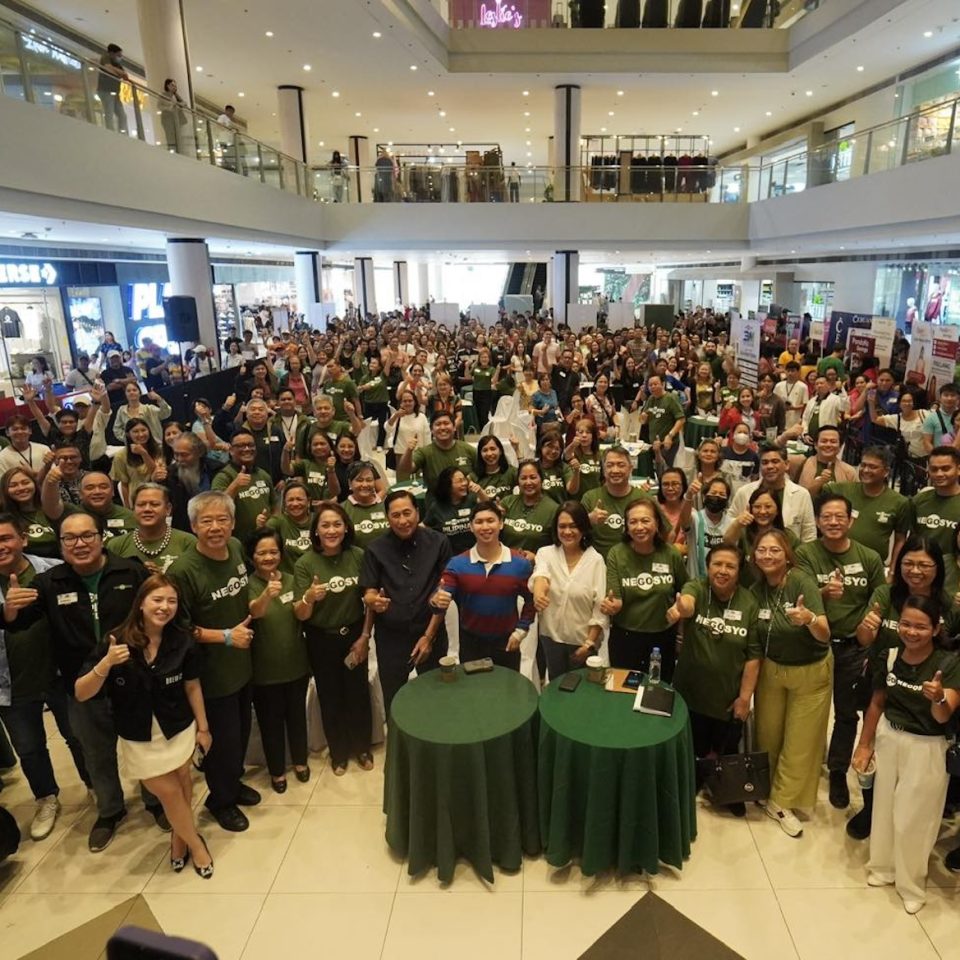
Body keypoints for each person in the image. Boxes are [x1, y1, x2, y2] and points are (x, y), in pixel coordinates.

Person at [3, 511, 165, 851]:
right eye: (70, 538)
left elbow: (156, 617)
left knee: (144, 745)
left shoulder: (130, 571)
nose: (80, 544)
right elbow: (19, 623)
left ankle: (155, 801)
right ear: (60, 544)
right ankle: (110, 810)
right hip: (82, 685)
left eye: (87, 535)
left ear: (101, 536)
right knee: (96, 753)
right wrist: (10, 611)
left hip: (132, 680)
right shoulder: (51, 583)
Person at [73, 575, 214, 879]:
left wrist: (203, 728)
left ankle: (178, 839)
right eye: (157, 600)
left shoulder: (181, 640)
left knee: (183, 782)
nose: (165, 607)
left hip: (178, 729)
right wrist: (106, 664)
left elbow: (192, 686)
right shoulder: (116, 641)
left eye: (172, 601)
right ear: (140, 603)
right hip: (138, 738)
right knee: (170, 793)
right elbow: (81, 692)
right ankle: (196, 844)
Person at [854, 595, 960, 914]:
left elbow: (943, 716)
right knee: (884, 808)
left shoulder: (948, 663)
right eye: (906, 624)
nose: (911, 632)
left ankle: (911, 883)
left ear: (936, 627)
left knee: (915, 817)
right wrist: (864, 743)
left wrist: (939, 698)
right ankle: (883, 867)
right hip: (890, 737)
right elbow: (876, 703)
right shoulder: (889, 655)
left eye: (920, 627)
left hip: (926, 745)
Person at [167, 492, 259, 833]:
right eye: (206, 521)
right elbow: (179, 628)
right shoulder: (183, 570)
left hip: (242, 664)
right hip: (211, 674)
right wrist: (223, 636)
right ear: (192, 526)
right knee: (222, 742)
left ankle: (232, 785)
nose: (216, 527)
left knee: (241, 733)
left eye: (222, 519)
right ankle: (220, 801)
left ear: (233, 523)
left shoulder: (235, 547)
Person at [0, 514, 89, 840]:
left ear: (23, 539)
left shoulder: (54, 569)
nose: (1, 546)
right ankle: (46, 798)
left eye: (6, 538)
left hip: (60, 674)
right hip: (10, 684)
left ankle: (95, 788)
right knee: (29, 748)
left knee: (77, 736)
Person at [796, 493, 886, 811]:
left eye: (839, 517)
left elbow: (880, 598)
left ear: (850, 520)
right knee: (807, 710)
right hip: (813, 645)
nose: (833, 522)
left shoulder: (870, 557)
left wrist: (866, 633)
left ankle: (836, 770)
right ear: (817, 521)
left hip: (852, 648)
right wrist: (822, 593)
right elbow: (802, 596)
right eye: (826, 517)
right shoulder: (805, 553)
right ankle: (801, 767)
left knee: (846, 714)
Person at [668, 544, 762, 816]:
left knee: (726, 748)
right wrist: (681, 608)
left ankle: (724, 787)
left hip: (727, 698)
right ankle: (696, 778)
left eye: (730, 566)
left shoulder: (749, 602)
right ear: (708, 567)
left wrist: (745, 698)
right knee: (694, 747)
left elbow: (753, 657)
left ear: (739, 570)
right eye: (717, 564)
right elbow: (687, 603)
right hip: (692, 693)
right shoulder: (698, 587)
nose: (722, 571)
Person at [750, 529, 832, 838]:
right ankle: (765, 788)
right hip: (772, 670)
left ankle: (781, 802)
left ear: (787, 555)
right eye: (762, 550)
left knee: (799, 741)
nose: (768, 556)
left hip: (810, 672)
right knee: (767, 735)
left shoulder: (801, 581)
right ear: (753, 555)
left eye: (775, 550)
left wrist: (809, 619)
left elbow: (824, 631)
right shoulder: (757, 589)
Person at [293, 504, 374, 775]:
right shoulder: (305, 563)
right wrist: (309, 598)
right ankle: (339, 752)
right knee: (330, 696)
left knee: (358, 692)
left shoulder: (359, 555)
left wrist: (364, 636)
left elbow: (370, 601)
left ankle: (362, 747)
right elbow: (301, 614)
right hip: (320, 639)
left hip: (354, 635)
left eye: (337, 524)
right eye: (325, 525)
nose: (331, 530)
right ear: (316, 530)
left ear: (346, 528)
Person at [359, 489, 452, 714]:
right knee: (395, 699)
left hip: (430, 631)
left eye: (407, 513)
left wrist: (428, 637)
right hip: (391, 637)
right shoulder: (375, 549)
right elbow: (369, 591)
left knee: (437, 698)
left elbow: (444, 592)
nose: (403, 520)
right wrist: (372, 599)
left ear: (418, 513)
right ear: (387, 518)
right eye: (396, 515)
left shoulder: (439, 542)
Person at [429, 502, 534, 672]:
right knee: (474, 694)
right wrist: (436, 601)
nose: (485, 527)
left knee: (507, 694)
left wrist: (521, 630)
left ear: (501, 524)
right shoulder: (457, 564)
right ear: (471, 527)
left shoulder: (520, 564)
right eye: (479, 522)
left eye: (490, 520)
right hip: (471, 644)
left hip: (506, 643)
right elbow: (440, 595)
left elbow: (531, 601)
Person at [246, 530, 311, 792]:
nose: (269, 557)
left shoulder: (293, 579)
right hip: (264, 670)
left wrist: (308, 598)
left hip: (296, 663)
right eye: (262, 553)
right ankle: (276, 771)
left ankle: (300, 761)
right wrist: (267, 595)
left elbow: (302, 614)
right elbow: (255, 612)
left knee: (297, 716)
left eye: (273, 552)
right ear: (252, 557)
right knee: (270, 721)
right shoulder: (248, 584)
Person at [600, 497, 688, 680]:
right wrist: (611, 605)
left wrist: (679, 608)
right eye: (633, 522)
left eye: (645, 520)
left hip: (663, 639)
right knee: (623, 692)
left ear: (657, 523)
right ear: (626, 526)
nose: (639, 527)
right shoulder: (617, 553)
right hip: (625, 638)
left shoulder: (671, 553)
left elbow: (685, 587)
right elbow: (614, 597)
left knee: (657, 694)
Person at [532, 501, 607, 679]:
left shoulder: (595, 560)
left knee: (582, 692)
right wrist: (538, 593)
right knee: (556, 688)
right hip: (551, 638)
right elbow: (540, 576)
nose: (567, 532)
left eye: (573, 526)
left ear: (583, 528)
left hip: (582, 643)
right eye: (562, 526)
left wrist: (589, 644)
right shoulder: (545, 553)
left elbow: (599, 608)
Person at [824, 446, 910, 568]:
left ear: (886, 472)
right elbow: (810, 494)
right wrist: (820, 480)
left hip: (873, 566)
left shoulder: (900, 502)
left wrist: (893, 569)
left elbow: (900, 540)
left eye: (873, 467)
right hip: (836, 561)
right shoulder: (842, 490)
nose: (865, 470)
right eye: (863, 465)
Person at [728, 445, 816, 543]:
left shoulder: (802, 494)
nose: (770, 466)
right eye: (765, 463)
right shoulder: (744, 492)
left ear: (786, 465)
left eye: (775, 461)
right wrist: (738, 523)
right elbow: (728, 529)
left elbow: (809, 536)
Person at [106, 484, 197, 574]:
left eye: (154, 504)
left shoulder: (187, 542)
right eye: (141, 505)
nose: (147, 509)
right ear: (133, 509)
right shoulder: (116, 545)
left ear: (168, 509)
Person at [581, 445, 650, 560]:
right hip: (597, 565)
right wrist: (588, 520)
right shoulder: (590, 497)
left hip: (635, 563)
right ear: (603, 470)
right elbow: (572, 532)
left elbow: (665, 532)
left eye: (621, 465)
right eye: (610, 465)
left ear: (630, 468)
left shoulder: (644, 499)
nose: (615, 470)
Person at [211, 430, 277, 543]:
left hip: (263, 542)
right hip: (237, 543)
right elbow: (216, 508)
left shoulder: (263, 475)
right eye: (240, 446)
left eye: (250, 445)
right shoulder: (223, 477)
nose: (247, 449)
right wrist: (234, 485)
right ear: (231, 450)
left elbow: (274, 507)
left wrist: (271, 525)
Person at [397, 410, 475, 497]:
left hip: (465, 501)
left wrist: (471, 479)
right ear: (432, 430)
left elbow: (483, 470)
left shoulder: (467, 449)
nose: (442, 427)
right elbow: (406, 469)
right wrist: (408, 451)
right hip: (436, 503)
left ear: (454, 427)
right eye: (438, 424)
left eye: (446, 423)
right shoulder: (425, 452)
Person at [500, 460, 558, 562]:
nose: (528, 482)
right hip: (505, 566)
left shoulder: (554, 509)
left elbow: (558, 549)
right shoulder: (506, 503)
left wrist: (537, 559)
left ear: (541, 479)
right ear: (518, 481)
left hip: (538, 569)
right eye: (523, 478)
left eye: (533, 477)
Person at [163, 432, 221, 532]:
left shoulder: (216, 469)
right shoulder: (169, 474)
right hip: (184, 530)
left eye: (184, 455)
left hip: (215, 526)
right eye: (176, 454)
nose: (179, 459)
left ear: (199, 453)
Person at [0, 467, 59, 558]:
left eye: (25, 483)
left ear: (34, 484)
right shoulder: (3, 517)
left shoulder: (52, 508)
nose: (21, 488)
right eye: (13, 485)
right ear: (5, 490)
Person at [913, 446, 960, 558]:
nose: (939, 474)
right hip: (923, 567)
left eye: (945, 469)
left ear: (958, 469)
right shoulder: (918, 500)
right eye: (934, 469)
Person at [684, 475, 735, 578]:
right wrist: (689, 495)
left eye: (722, 494)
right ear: (704, 497)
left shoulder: (732, 523)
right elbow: (684, 521)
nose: (717, 497)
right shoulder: (695, 518)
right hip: (696, 582)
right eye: (713, 493)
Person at [424, 466, 481, 555]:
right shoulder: (436, 507)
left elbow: (488, 505)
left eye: (465, 479)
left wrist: (480, 491)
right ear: (447, 485)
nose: (464, 483)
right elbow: (424, 526)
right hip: (450, 556)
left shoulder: (472, 499)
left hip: (475, 553)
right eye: (459, 481)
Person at [111, 418, 163, 507]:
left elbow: (155, 473)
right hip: (136, 498)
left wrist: (144, 453)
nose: (141, 434)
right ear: (128, 434)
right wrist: (127, 507)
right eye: (135, 431)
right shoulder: (121, 456)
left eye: (144, 430)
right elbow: (124, 484)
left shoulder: (159, 450)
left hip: (159, 494)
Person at [265, 480, 314, 571]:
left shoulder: (318, 521)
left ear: (308, 501)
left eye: (299, 499)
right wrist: (260, 526)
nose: (295, 504)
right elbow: (260, 538)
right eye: (290, 500)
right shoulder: (278, 522)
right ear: (284, 504)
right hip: (288, 580)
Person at [795, 425, 857, 497]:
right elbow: (800, 497)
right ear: (815, 445)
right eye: (824, 441)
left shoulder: (849, 472)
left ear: (840, 446)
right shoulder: (800, 463)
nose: (828, 445)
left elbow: (855, 498)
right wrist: (820, 481)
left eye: (833, 442)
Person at [282, 430, 340, 506]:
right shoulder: (306, 464)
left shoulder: (338, 464)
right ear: (310, 448)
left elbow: (336, 492)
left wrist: (331, 470)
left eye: (322, 444)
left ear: (330, 446)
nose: (319, 447)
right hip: (308, 509)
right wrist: (286, 451)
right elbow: (287, 470)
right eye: (315, 445)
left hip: (329, 508)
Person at [641, 374, 686, 470]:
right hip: (654, 443)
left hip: (668, 443)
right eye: (650, 385)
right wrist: (643, 417)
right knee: (656, 469)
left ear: (663, 384)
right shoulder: (651, 399)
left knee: (665, 470)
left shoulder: (671, 398)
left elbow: (681, 419)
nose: (652, 387)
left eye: (655, 384)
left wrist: (670, 435)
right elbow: (644, 421)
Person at [341, 461, 389, 550]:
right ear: (350, 483)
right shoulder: (341, 510)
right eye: (359, 480)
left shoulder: (388, 506)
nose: (365, 484)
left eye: (369, 480)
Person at [97, 43, 129, 133]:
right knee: (109, 112)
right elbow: (108, 68)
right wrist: (118, 73)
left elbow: (125, 75)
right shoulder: (105, 58)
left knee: (122, 115)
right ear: (111, 53)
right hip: (106, 90)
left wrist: (116, 72)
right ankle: (109, 131)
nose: (120, 57)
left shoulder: (118, 65)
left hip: (115, 92)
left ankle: (123, 133)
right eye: (118, 55)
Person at [474, 435, 517, 501]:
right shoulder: (474, 477)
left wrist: (517, 450)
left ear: (500, 451)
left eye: (493, 449)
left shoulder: (511, 472)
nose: (489, 453)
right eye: (485, 450)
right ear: (480, 454)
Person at [921, 382, 959, 452]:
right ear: (940, 398)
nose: (949, 398)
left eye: (953, 395)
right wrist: (939, 457)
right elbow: (927, 443)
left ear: (958, 398)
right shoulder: (931, 418)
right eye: (946, 395)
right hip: (941, 459)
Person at [774, 361, 809, 431]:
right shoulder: (779, 385)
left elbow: (806, 405)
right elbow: (774, 401)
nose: (790, 373)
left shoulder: (803, 386)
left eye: (793, 371)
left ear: (798, 372)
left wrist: (793, 408)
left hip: (795, 421)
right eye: (788, 371)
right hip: (780, 420)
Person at [160, 78, 188, 152]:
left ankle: (178, 150)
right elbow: (159, 106)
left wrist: (177, 104)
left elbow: (184, 104)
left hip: (177, 120)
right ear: (167, 86)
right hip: (168, 119)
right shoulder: (163, 95)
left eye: (175, 86)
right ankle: (172, 150)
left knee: (178, 136)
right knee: (170, 137)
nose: (174, 87)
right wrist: (170, 107)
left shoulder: (175, 96)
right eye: (172, 85)